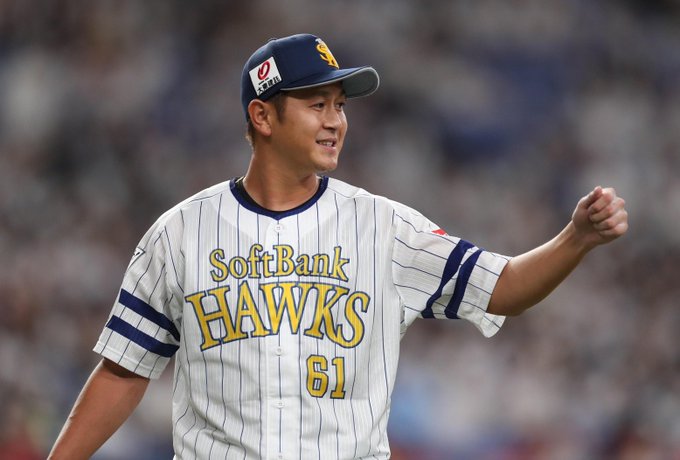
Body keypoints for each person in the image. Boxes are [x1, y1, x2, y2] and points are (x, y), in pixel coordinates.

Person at [48, 33, 628, 460]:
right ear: (262, 116)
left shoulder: (384, 226)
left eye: (340, 105)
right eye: (316, 104)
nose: (335, 121)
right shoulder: (180, 232)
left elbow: (501, 289)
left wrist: (575, 239)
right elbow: (123, 372)